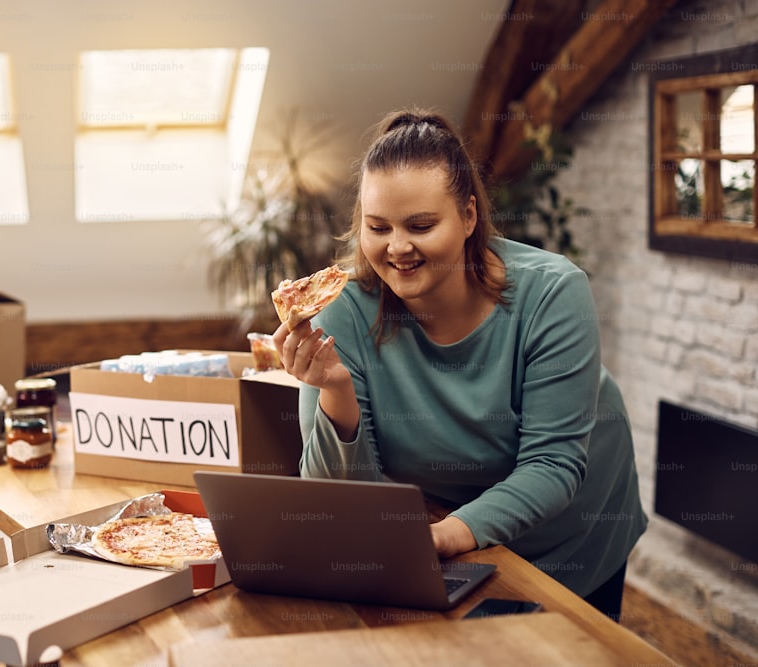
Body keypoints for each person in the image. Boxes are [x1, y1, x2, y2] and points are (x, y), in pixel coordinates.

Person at [272, 108, 647, 621]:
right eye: (377, 227)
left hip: (572, 523)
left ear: (469, 217)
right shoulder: (341, 308)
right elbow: (337, 502)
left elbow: (553, 465)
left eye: (421, 225)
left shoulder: (553, 292)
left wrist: (446, 536)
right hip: (444, 525)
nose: (397, 248)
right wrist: (335, 393)